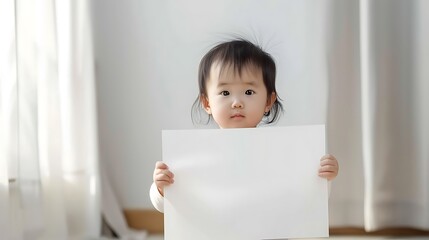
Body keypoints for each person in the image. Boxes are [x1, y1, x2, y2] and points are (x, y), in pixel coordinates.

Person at [150, 38, 339, 212]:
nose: (237, 102)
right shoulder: (194, 156)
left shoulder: (281, 151)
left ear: (268, 101)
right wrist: (161, 188)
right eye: (225, 93)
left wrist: (324, 178)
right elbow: (167, 208)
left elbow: (307, 199)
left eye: (249, 92)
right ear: (207, 103)